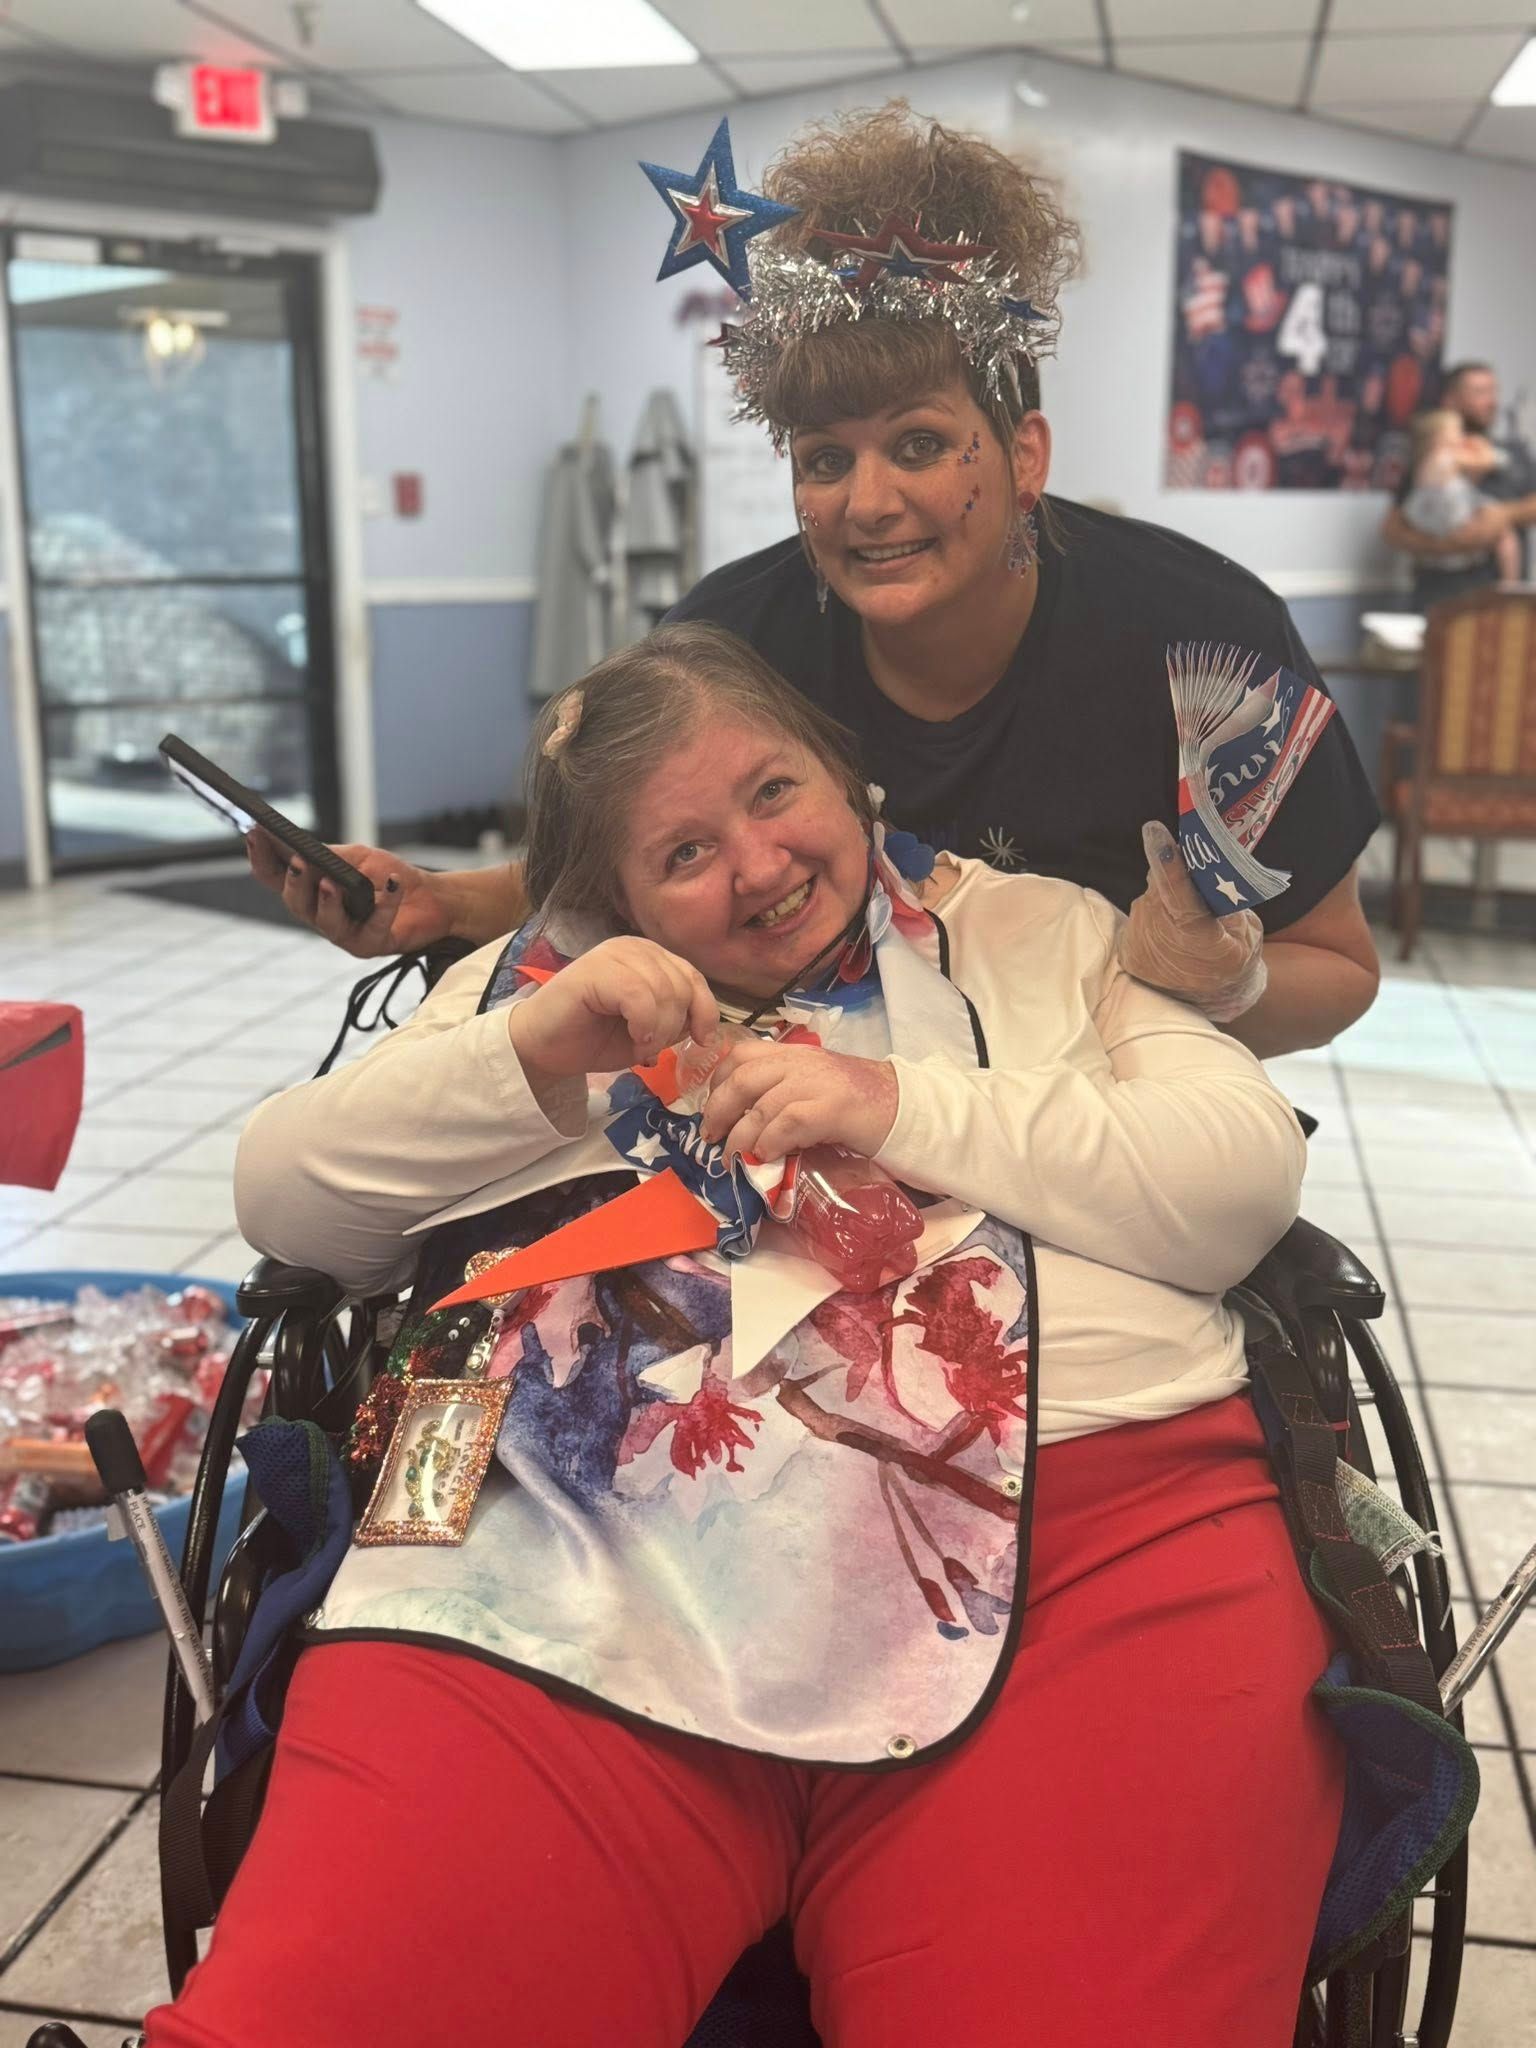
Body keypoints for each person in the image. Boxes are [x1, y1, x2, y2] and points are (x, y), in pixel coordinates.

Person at [159, 624, 1344, 2048]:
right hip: (547, 1548)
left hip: (1086, 1528)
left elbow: (1235, 1179)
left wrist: (891, 1104)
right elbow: (289, 1200)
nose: (762, 864)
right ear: (614, 900)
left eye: (775, 793)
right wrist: (536, 1052)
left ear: (843, 774)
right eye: (684, 855)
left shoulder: (1045, 931)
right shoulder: (549, 987)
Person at [253, 105, 1381, 1061]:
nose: (868, 502)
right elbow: (611, 876)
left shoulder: (1209, 646)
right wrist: (442, 904)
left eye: (922, 445)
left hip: (1114, 1109)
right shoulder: (727, 647)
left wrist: (1210, 991)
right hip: (819, 1124)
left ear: (1024, 454)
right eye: (825, 459)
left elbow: (1338, 966)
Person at [1383, 360, 1536, 608]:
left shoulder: (1512, 453)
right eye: (1479, 392)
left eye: (1493, 391)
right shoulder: (1428, 458)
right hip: (1439, 596)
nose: (1492, 401)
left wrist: (1502, 515)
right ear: (1451, 400)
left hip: (1498, 601)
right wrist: (1446, 544)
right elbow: (1392, 528)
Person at [1401, 407, 1523, 583]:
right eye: (1457, 432)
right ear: (1439, 438)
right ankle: (1509, 584)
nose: (1462, 436)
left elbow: (1469, 481)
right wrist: (1491, 453)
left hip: (1434, 513)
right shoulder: (1444, 456)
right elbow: (1485, 462)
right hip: (1447, 514)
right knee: (1506, 536)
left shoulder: (1428, 461)